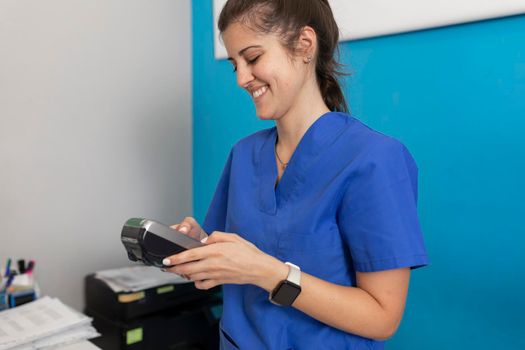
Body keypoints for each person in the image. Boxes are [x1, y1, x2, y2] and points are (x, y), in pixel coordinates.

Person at [163, 0, 428, 348]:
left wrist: (269, 273)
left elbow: (382, 317)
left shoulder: (373, 160)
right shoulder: (244, 155)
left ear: (305, 44)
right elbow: (230, 264)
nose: (242, 78)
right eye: (235, 65)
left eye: (253, 58)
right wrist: (198, 245)